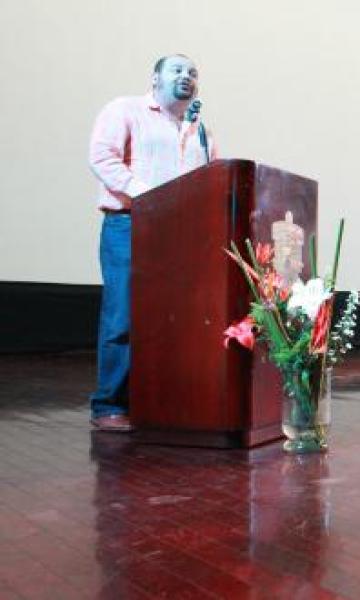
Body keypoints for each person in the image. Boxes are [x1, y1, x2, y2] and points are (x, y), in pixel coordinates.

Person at [88, 54, 217, 431]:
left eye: (193, 72)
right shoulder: (125, 110)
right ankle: (109, 405)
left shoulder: (200, 130)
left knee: (175, 318)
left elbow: (209, 181)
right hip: (130, 224)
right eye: (177, 70)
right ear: (155, 78)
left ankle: (160, 400)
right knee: (123, 315)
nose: (187, 76)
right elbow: (101, 156)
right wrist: (145, 195)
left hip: (181, 235)